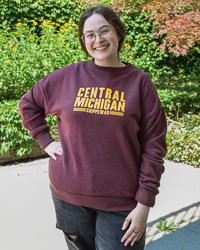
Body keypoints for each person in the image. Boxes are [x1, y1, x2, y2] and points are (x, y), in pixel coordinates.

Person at [19, 5, 167, 250]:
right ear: (83, 40)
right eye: (90, 34)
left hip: (122, 201)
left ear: (118, 33)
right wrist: (45, 141)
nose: (98, 40)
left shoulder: (139, 83)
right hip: (69, 197)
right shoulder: (66, 78)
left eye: (104, 31)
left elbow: (154, 146)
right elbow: (29, 104)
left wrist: (144, 204)